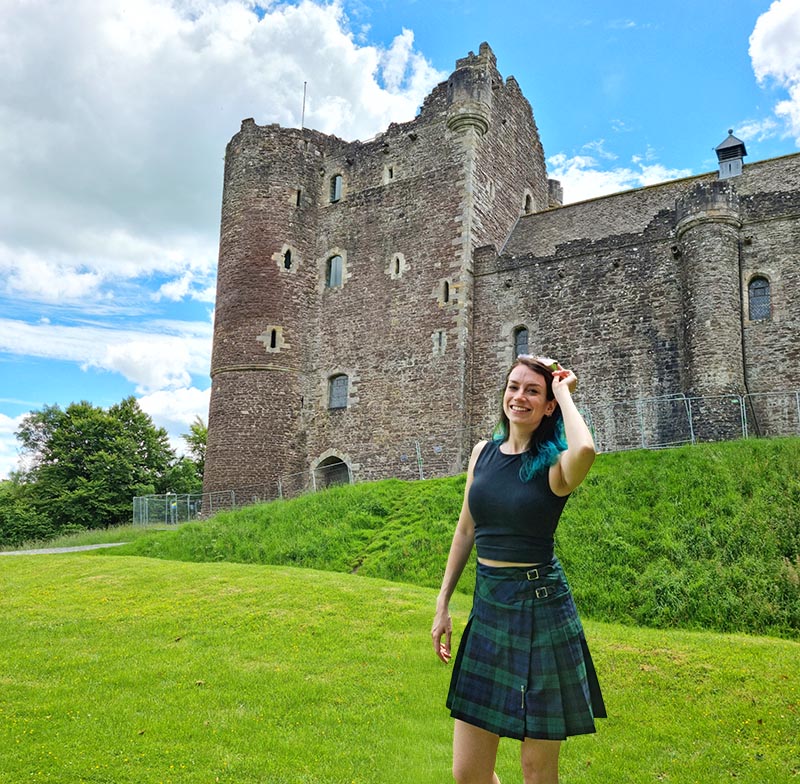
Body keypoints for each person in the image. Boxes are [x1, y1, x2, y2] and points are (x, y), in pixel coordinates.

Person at [431, 354, 606, 784]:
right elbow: (466, 530)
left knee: (536, 770)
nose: (519, 397)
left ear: (548, 406)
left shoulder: (557, 464)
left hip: (541, 610)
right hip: (490, 607)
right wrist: (443, 602)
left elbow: (586, 449)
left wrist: (564, 390)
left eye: (533, 391)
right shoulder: (482, 454)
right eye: (513, 387)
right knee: (467, 772)